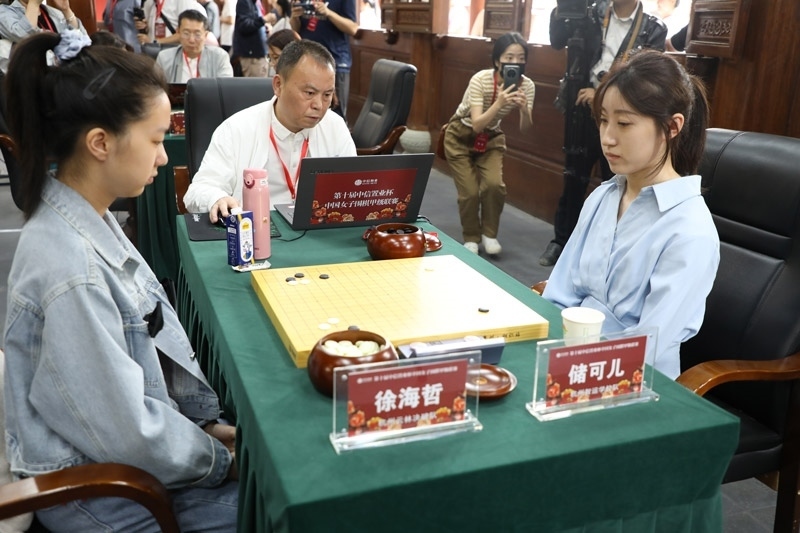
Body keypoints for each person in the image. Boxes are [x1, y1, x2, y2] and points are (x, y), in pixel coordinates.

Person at [3, 30, 238, 531]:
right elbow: (128, 433)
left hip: (121, 460)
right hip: (104, 491)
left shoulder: (88, 214)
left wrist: (204, 430)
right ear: (100, 143)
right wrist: (220, 459)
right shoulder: (72, 271)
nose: (163, 156)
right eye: (155, 140)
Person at [542, 49, 718, 380]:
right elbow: (558, 295)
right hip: (567, 357)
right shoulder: (603, 196)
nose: (607, 138)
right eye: (603, 120)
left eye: (624, 123)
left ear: (672, 126)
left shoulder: (690, 230)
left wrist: (570, 370)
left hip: (633, 381)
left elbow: (646, 347)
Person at [538, 0, 666, 267]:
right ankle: (561, 241)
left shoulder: (653, 28)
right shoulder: (590, 13)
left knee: (618, 182)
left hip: (622, 118)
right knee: (573, 177)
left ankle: (607, 248)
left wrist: (601, 94)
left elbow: (647, 79)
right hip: (581, 111)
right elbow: (557, 41)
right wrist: (562, 8)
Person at [184, 39, 356, 221]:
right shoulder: (236, 129)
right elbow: (198, 190)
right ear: (278, 85)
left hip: (316, 228)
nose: (319, 105)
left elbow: (351, 188)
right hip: (255, 228)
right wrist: (217, 198)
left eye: (327, 95)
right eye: (309, 93)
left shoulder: (335, 127)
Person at [442, 32, 535, 256]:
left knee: (494, 185)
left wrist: (524, 110)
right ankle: (471, 237)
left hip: (491, 137)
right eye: (509, 58)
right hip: (460, 135)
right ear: (497, 61)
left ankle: (489, 234)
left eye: (521, 58)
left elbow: (526, 128)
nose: (515, 63)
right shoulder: (480, 80)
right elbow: (476, 124)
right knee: (470, 192)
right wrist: (499, 102)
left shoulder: (527, 85)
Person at [291, 0, 358, 121]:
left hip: (336, 62)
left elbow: (352, 28)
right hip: (306, 61)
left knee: (336, 113)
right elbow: (296, 29)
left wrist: (328, 13)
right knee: (306, 110)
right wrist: (294, 17)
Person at [156, 9, 233, 82]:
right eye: (186, 33)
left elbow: (225, 88)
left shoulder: (220, 57)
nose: (191, 40)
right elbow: (155, 87)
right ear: (178, 32)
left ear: (205, 35)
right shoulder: (164, 58)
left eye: (197, 34)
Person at [0, 0, 87, 42]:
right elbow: (23, 36)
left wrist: (66, 10)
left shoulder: (54, 13)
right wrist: (34, 3)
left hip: (63, 69)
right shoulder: (4, 12)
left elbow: (83, 40)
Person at [140, 0, 206, 46]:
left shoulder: (182, 1)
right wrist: (143, 26)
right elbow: (148, 28)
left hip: (174, 50)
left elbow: (186, 33)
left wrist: (154, 42)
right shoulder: (149, 2)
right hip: (152, 51)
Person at [233, 0, 270, 77]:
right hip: (252, 57)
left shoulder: (255, 3)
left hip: (259, 55)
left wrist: (264, 28)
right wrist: (263, 20)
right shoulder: (244, 2)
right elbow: (244, 26)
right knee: (256, 83)